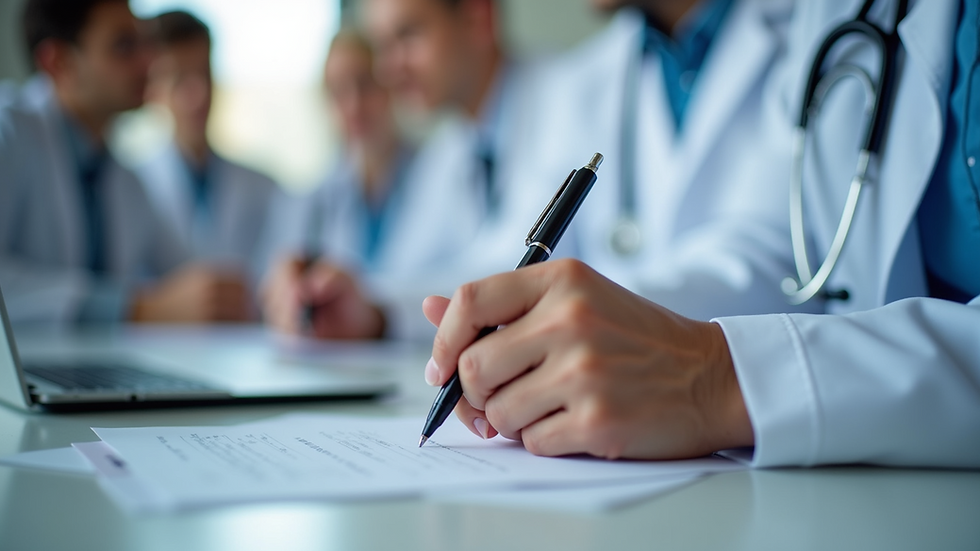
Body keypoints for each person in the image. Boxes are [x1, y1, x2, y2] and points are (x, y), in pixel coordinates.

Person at [421, 0, 980, 468]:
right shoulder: (834, 13)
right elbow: (772, 239)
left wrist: (719, 378)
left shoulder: (788, 22)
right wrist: (573, 325)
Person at [507, 0, 809, 322]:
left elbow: (775, 257)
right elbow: (517, 251)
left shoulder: (804, 33)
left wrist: (607, 314)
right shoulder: (587, 76)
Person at [263, 0, 539, 340]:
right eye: (382, 47)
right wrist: (362, 307)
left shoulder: (568, 108)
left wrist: (376, 309)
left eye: (408, 34)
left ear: (477, 17)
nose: (388, 70)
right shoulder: (453, 149)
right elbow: (430, 277)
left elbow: (508, 267)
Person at [0, 0, 248, 325]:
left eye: (146, 42)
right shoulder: (9, 132)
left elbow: (186, 272)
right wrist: (137, 308)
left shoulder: (122, 176)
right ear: (59, 63)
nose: (150, 61)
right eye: (124, 46)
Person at [262, 30, 415, 337]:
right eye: (337, 91)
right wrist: (282, 298)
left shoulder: (442, 172)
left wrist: (375, 310)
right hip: (338, 354)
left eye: (365, 83)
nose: (353, 104)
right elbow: (270, 289)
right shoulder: (314, 199)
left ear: (390, 84)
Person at [138, 11, 280, 309]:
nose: (198, 94)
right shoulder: (134, 186)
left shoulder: (264, 188)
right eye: (179, 79)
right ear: (153, 89)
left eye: (205, 74)